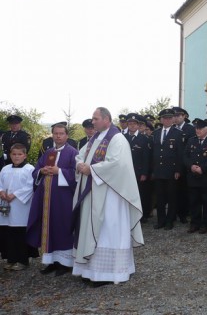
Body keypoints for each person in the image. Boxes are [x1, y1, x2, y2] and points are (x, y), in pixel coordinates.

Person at [72, 107, 144, 286]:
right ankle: (90, 270)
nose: (93, 122)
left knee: (108, 229)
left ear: (106, 119)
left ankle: (108, 273)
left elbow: (117, 164)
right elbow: (80, 156)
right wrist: (81, 164)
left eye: (95, 118)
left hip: (111, 194)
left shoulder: (117, 138)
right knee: (92, 228)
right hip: (93, 191)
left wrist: (92, 169)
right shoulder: (95, 138)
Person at [27, 123, 78, 276]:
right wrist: (41, 171)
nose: (58, 136)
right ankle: (50, 261)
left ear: (66, 135)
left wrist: (59, 171)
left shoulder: (73, 153)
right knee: (48, 226)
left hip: (63, 199)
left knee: (62, 226)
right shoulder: (48, 152)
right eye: (55, 133)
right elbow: (36, 170)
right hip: (46, 198)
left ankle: (65, 263)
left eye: (61, 133)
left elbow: (77, 174)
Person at [0, 143, 37, 271]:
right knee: (8, 233)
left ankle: (22, 260)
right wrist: (1, 192)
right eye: (14, 154)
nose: (16, 157)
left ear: (25, 155)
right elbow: (0, 182)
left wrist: (14, 195)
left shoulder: (29, 169)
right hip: (6, 205)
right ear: (10, 155)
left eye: (19, 154)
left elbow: (29, 186)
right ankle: (10, 259)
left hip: (21, 206)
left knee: (19, 233)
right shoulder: (5, 169)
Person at [183, 119, 207, 234]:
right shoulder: (191, 141)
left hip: (206, 177)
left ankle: (206, 224)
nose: (197, 130)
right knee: (194, 201)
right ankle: (195, 223)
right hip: (193, 176)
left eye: (200, 129)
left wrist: (202, 168)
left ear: (206, 130)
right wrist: (191, 166)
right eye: (196, 128)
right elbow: (185, 156)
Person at [151, 108, 185, 230]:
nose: (167, 120)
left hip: (171, 171)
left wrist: (178, 170)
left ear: (173, 119)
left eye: (169, 118)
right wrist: (153, 170)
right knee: (160, 198)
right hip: (159, 171)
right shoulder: (155, 133)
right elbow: (153, 153)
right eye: (165, 118)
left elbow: (180, 154)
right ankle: (161, 221)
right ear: (161, 120)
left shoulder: (178, 133)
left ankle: (170, 221)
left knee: (171, 197)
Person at [124, 114, 151, 223]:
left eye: (134, 124)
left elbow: (146, 158)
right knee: (127, 194)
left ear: (138, 125)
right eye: (130, 124)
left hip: (138, 172)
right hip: (125, 172)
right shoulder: (123, 138)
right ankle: (128, 215)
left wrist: (144, 173)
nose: (132, 126)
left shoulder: (143, 139)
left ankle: (142, 216)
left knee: (140, 194)